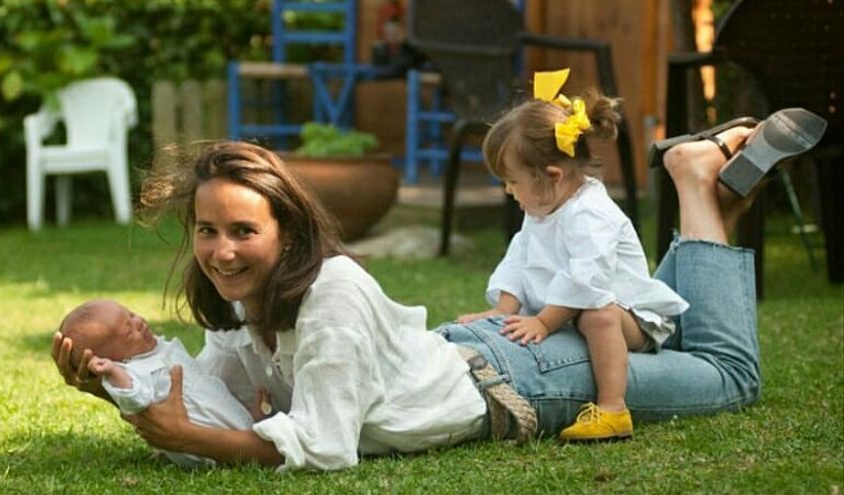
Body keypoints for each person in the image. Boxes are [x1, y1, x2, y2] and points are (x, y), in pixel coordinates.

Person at [52, 100, 816, 468]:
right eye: (207, 230)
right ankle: (704, 194)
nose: (220, 250)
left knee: (729, 378)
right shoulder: (245, 295)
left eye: (243, 231)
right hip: (487, 350)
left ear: (286, 229)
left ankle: (692, 181)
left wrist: (187, 438)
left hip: (526, 377)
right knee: (671, 330)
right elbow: (215, 387)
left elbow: (324, 446)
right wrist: (122, 383)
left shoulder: (333, 290)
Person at [456, 69, 688, 441]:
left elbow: (586, 279)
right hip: (572, 310)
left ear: (552, 175)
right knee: (581, 310)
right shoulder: (543, 208)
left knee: (598, 315)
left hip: (631, 316)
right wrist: (504, 310)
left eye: (513, 181)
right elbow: (520, 257)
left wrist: (545, 322)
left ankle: (613, 408)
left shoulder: (590, 213)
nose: (507, 191)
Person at [57, 298, 258, 467]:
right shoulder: (130, 372)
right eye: (128, 332)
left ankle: (250, 424)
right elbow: (134, 401)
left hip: (208, 405)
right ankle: (237, 447)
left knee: (229, 410)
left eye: (132, 315)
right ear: (108, 359)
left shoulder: (150, 351)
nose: (139, 322)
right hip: (201, 433)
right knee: (225, 431)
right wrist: (113, 373)